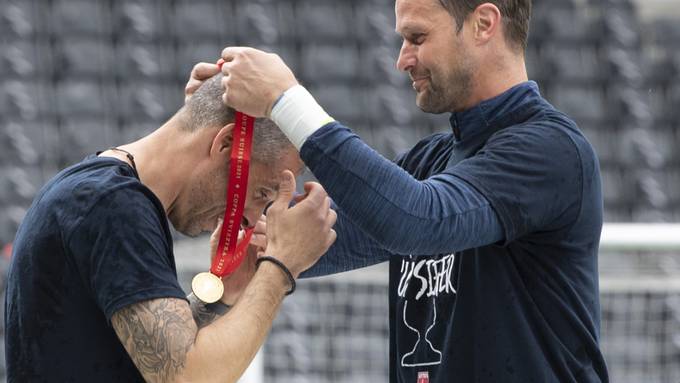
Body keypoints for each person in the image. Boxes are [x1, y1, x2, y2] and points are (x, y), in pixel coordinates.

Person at [187, 0, 610, 381]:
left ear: (483, 23)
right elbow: (306, 237)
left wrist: (285, 100)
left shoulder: (551, 151)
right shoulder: (431, 161)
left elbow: (415, 219)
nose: (401, 59)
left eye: (417, 38)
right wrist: (228, 123)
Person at [4, 74, 337, 382]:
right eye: (261, 193)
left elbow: (149, 356)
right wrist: (281, 267)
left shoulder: (99, 192)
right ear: (226, 144)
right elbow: (186, 376)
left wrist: (224, 292)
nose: (252, 219)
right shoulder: (113, 205)